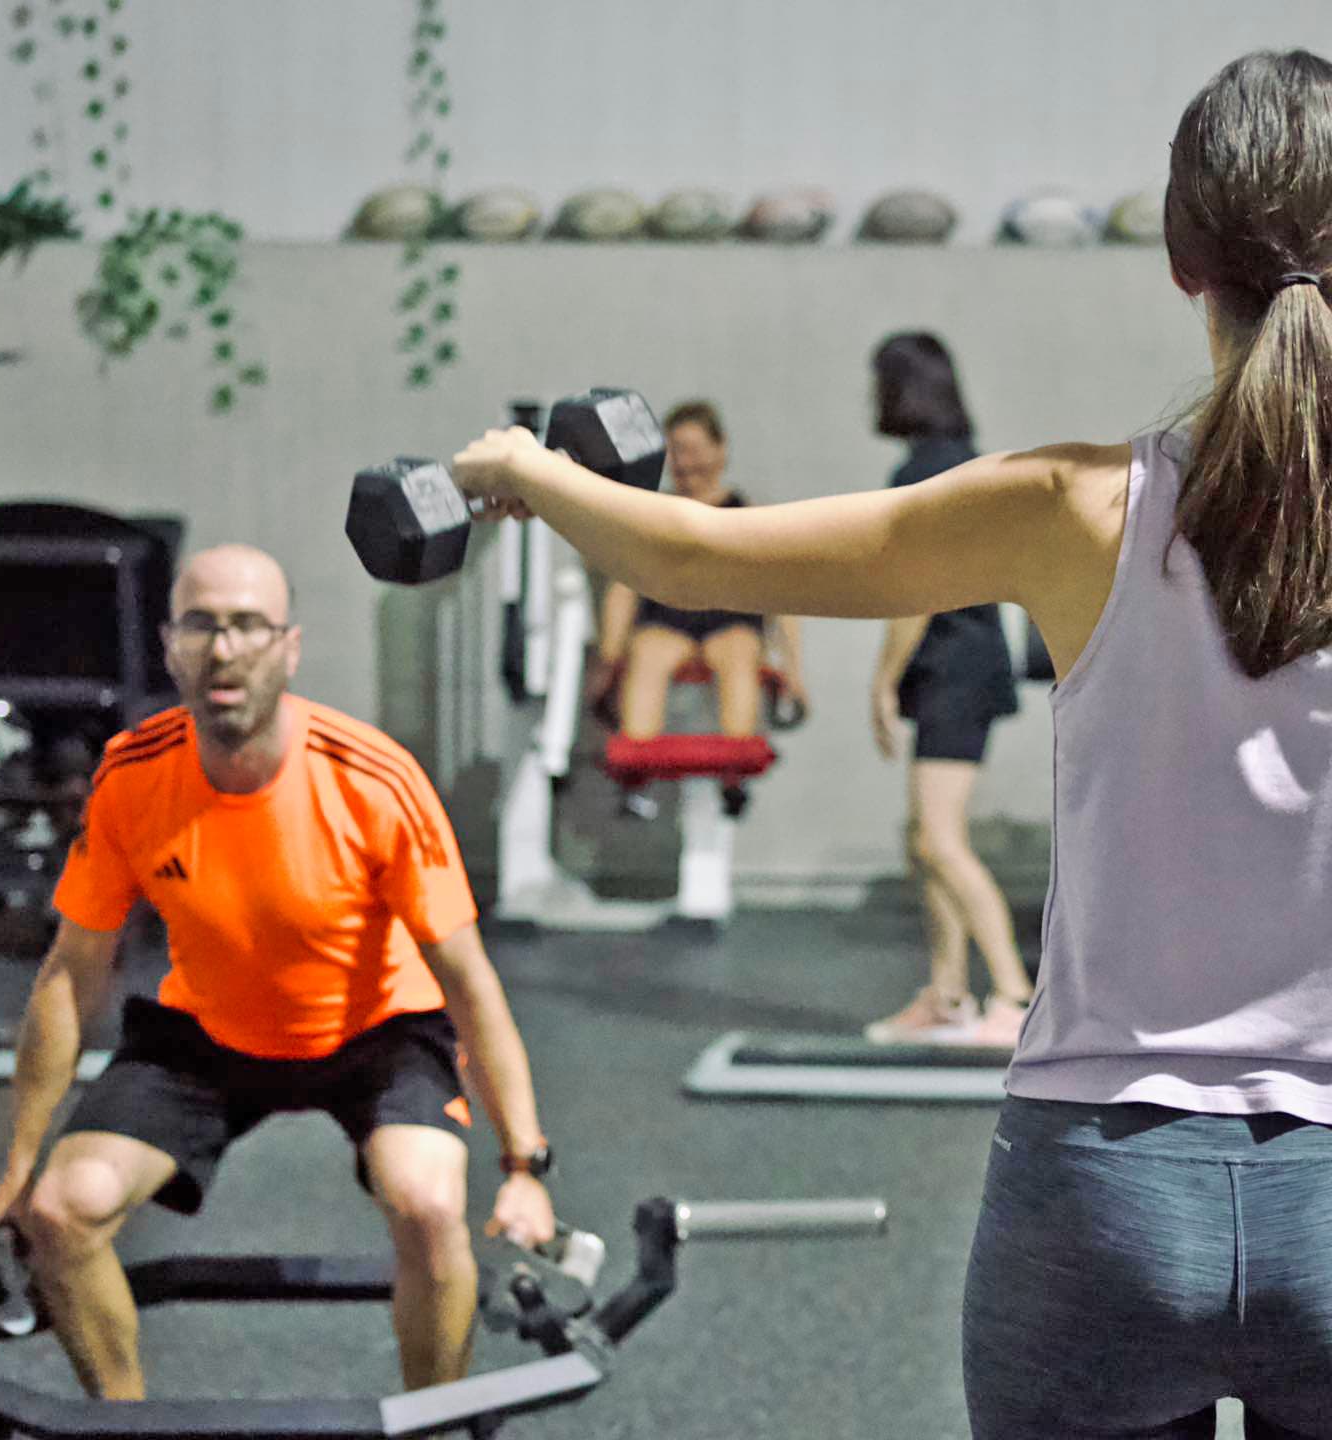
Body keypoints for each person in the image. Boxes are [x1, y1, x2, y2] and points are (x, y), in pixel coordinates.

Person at [454, 49, 1332, 1437]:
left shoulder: (1072, 509)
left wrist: (522, 472)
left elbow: (697, 556)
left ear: (1181, 260)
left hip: (1104, 1195)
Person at [0, 543, 556, 1401]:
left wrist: (522, 1167)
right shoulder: (134, 777)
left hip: (377, 1029)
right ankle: (124, 1424)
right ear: (170, 644)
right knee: (65, 1208)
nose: (224, 650)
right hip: (209, 1031)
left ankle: (437, 1425)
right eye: (203, 625)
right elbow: (73, 970)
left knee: (429, 1205)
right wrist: (22, 1163)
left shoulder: (371, 780)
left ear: (289, 648)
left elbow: (468, 979)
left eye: (249, 626)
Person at [863, 333, 1034, 1047]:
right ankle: (947, 994)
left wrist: (881, 680)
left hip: (954, 671)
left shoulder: (924, 472)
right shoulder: (964, 463)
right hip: (963, 669)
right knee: (926, 837)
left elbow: (918, 591)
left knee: (937, 837)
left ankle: (1016, 996)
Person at [585, 400, 809, 818]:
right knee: (646, 653)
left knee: (741, 651)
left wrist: (794, 670)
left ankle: (734, 773)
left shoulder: (749, 513)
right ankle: (637, 780)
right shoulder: (655, 515)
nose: (683, 461)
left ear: (719, 450)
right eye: (674, 451)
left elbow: (782, 592)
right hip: (668, 621)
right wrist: (609, 657)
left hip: (730, 622)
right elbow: (624, 586)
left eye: (691, 449)